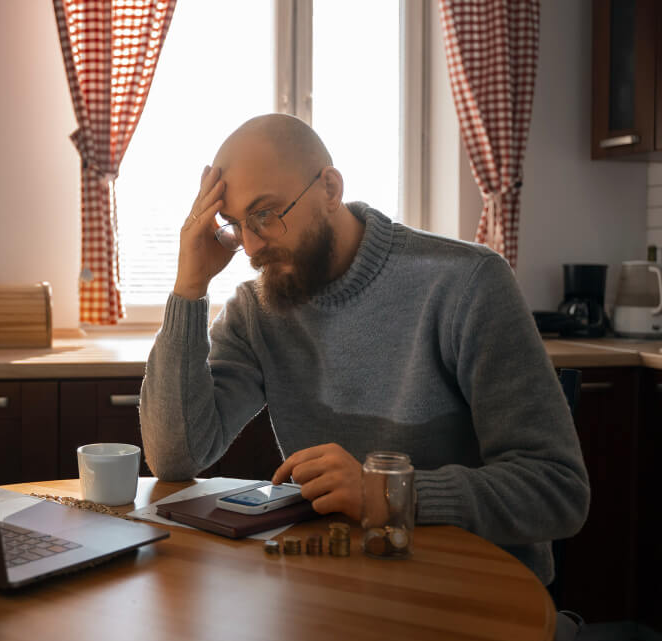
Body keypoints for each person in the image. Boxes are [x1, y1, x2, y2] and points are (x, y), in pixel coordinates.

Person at [138, 113, 589, 585]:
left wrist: (388, 494)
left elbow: (557, 490)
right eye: (235, 225)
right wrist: (189, 285)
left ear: (330, 189)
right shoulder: (259, 308)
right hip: (341, 584)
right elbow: (175, 457)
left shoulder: (467, 283)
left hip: (470, 588)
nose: (250, 248)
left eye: (266, 214)